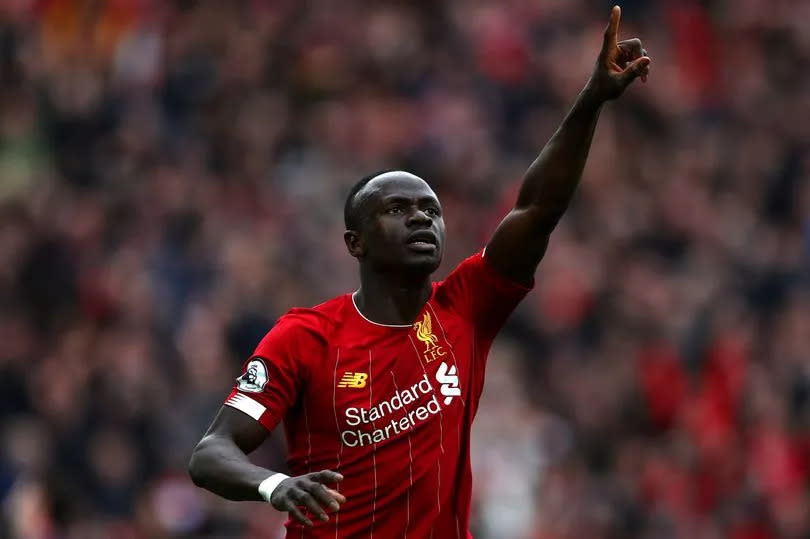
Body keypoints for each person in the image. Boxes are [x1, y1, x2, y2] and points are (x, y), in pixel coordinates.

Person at [188, 6, 650, 538]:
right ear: (354, 243)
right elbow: (210, 453)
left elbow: (537, 211)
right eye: (397, 209)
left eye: (430, 210)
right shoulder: (305, 338)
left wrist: (591, 100)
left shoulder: (466, 308)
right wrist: (274, 486)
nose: (421, 219)